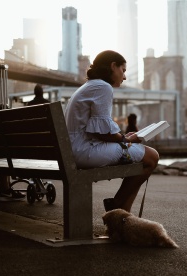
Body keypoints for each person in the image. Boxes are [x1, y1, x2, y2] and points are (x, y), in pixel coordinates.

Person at [64, 50, 159, 212]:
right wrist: (128, 140)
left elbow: (95, 131)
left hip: (73, 149)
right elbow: (102, 133)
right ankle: (116, 205)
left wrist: (122, 137)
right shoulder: (103, 87)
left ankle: (124, 216)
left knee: (140, 159)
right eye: (123, 70)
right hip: (84, 152)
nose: (124, 77)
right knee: (151, 156)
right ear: (113, 66)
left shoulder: (88, 87)